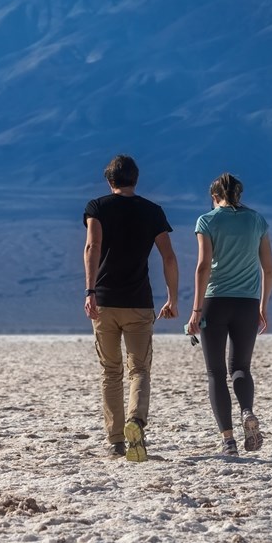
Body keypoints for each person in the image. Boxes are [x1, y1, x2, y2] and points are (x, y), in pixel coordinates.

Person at [84, 154, 179, 462]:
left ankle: (115, 441)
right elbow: (168, 257)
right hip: (139, 304)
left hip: (105, 302)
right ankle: (135, 421)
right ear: (135, 180)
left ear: (109, 181)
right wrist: (172, 297)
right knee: (139, 370)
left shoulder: (97, 207)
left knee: (111, 372)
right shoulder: (152, 211)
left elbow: (92, 246)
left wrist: (90, 290)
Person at [185, 173, 272, 457]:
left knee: (215, 373)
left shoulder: (208, 220)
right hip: (247, 303)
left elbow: (203, 267)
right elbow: (269, 268)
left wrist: (196, 311)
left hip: (215, 302)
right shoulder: (256, 220)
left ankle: (229, 442)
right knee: (241, 368)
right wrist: (263, 306)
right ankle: (247, 410)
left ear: (214, 197)